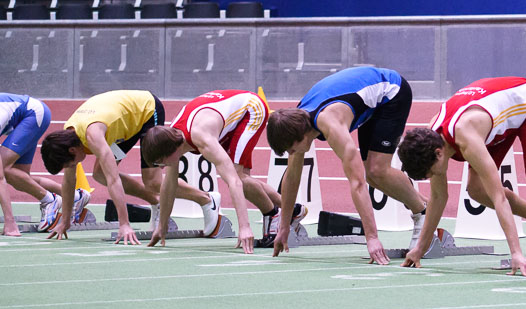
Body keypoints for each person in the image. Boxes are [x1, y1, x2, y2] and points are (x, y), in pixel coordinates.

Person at [397, 76, 526, 277]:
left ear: (439, 153)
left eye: (431, 172)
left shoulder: (466, 138)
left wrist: (516, 253)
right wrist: (419, 249)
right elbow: (439, 197)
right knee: (476, 190)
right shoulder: (431, 141)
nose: (434, 176)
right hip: (493, 120)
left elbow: (498, 197)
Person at [266, 66, 425, 263]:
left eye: (291, 149)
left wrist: (372, 238)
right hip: (366, 96)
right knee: (374, 173)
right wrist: (284, 227)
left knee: (376, 171)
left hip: (391, 92)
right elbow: (292, 176)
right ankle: (425, 206)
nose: (291, 154)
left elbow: (357, 183)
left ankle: (423, 214)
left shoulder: (331, 124)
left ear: (301, 135)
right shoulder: (297, 121)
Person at [39, 90, 220, 244]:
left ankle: (205, 199)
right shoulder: (67, 137)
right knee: (100, 174)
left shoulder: (92, 136)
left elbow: (114, 180)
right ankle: (157, 202)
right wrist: (65, 221)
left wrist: (124, 224)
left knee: (152, 181)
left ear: (72, 150)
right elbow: (69, 182)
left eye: (71, 163)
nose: (74, 165)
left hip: (147, 111)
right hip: (124, 128)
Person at [140, 89, 305, 254]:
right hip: (225, 118)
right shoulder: (172, 137)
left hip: (250, 109)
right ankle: (292, 210)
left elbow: (234, 182)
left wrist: (244, 228)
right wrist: (161, 227)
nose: (161, 167)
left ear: (169, 151)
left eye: (159, 162)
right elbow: (169, 185)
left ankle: (273, 214)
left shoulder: (201, 137)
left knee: (237, 175)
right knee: (241, 176)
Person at [0, 93, 71, 236]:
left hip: (33, 114)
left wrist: (10, 222)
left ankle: (48, 200)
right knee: (19, 176)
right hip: (30, 114)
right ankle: (74, 197)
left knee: (5, 169)